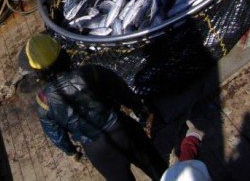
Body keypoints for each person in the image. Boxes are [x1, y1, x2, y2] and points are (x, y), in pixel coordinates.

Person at [25, 33, 167, 180]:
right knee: (160, 171)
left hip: (97, 151)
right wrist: (141, 111)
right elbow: (121, 90)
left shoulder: (43, 102)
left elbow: (55, 134)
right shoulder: (90, 72)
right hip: (123, 130)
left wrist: (72, 152)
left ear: (37, 71)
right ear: (62, 54)